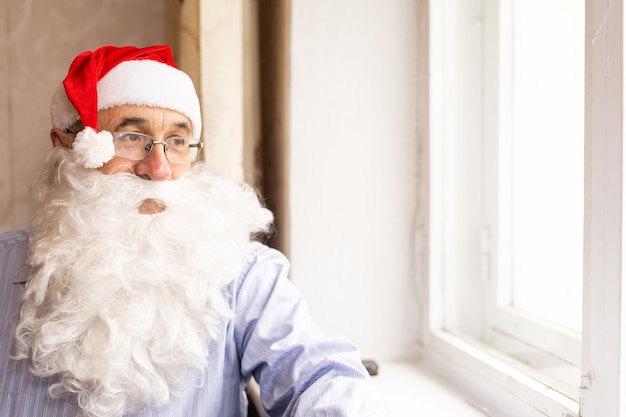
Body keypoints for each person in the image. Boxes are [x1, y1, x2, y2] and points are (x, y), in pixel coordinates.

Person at [0, 45, 384, 417]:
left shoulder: (241, 271)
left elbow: (318, 373)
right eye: (131, 137)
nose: (160, 168)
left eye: (177, 142)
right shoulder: (5, 264)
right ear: (66, 147)